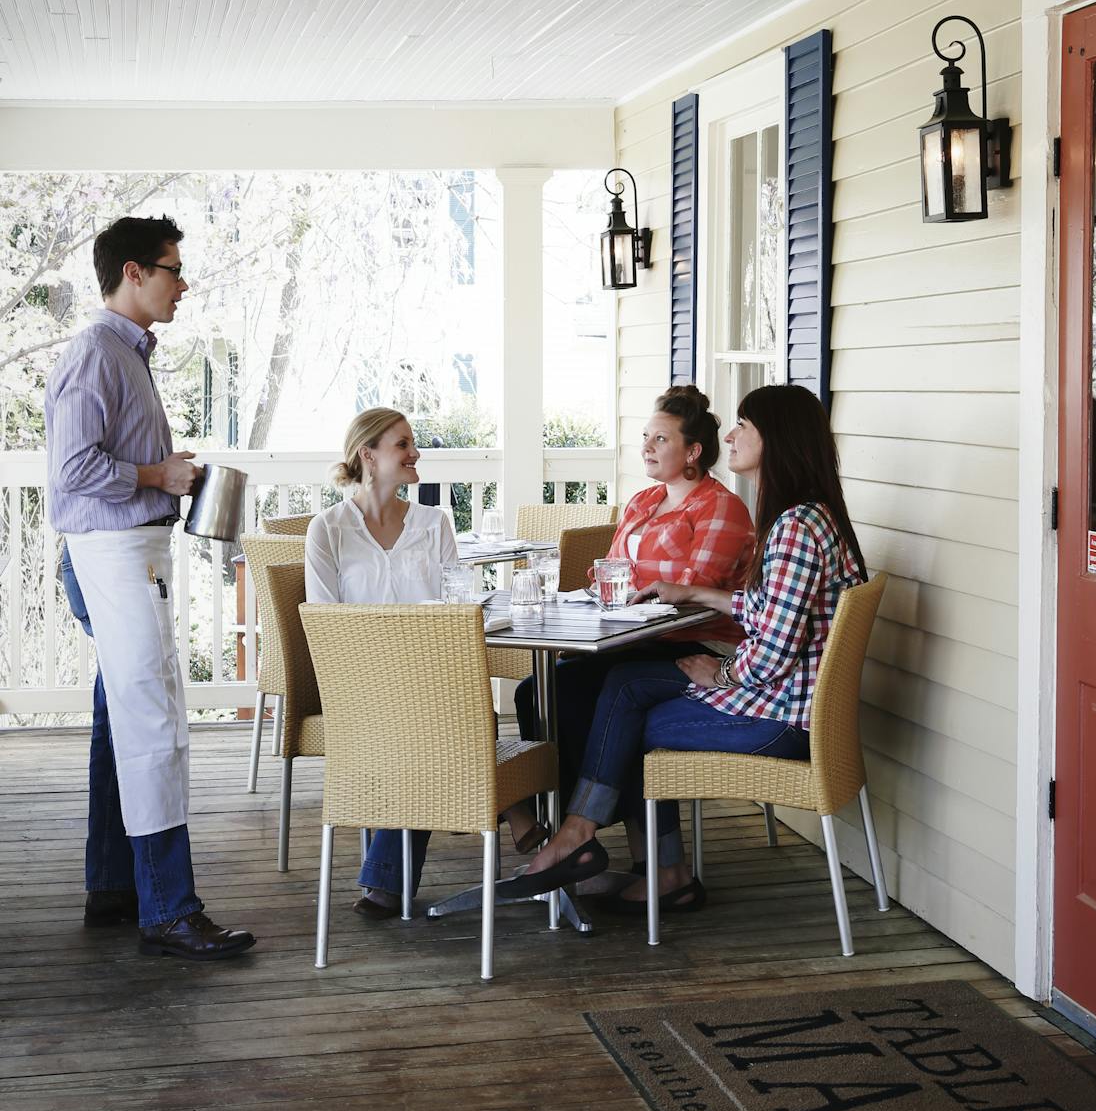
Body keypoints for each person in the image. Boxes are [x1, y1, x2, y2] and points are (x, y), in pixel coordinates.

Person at [513, 384, 866, 914]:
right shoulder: (812, 518)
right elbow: (774, 613)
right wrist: (699, 592)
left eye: (744, 425)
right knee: (616, 689)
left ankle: (585, 840)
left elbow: (771, 653)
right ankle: (642, 862)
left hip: (780, 717)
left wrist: (720, 672)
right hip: (789, 702)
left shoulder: (793, 527)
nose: (731, 435)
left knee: (621, 710)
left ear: (779, 440)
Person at [45, 215, 255, 960]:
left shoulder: (124, 353)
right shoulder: (96, 353)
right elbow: (71, 472)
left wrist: (163, 468)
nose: (182, 282)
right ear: (132, 273)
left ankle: (114, 884)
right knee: (155, 723)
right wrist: (156, 475)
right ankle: (168, 908)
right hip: (112, 556)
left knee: (120, 713)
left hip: (124, 552)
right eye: (171, 268)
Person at [304, 408, 546, 920]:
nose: (415, 454)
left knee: (430, 721)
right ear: (368, 455)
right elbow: (325, 625)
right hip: (362, 686)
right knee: (437, 728)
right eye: (403, 444)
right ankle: (513, 804)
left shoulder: (434, 523)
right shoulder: (328, 530)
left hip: (433, 682)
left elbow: (457, 609)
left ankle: (386, 883)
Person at [513, 385, 753, 830]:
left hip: (695, 645)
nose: (646, 446)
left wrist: (633, 589)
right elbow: (608, 572)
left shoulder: (721, 507)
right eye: (646, 436)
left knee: (590, 692)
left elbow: (695, 591)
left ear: (692, 451)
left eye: (660, 439)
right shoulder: (644, 502)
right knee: (536, 692)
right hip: (633, 638)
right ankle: (563, 825)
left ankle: (580, 831)